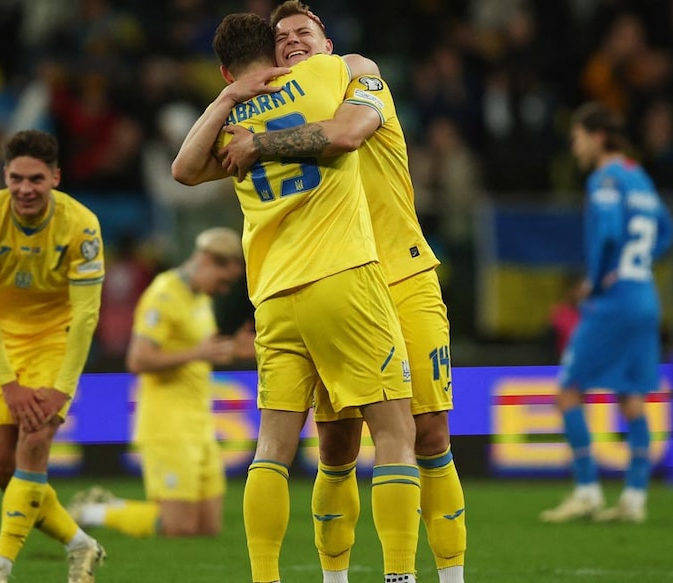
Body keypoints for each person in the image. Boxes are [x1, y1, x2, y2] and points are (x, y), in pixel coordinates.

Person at [215, 3, 466, 582]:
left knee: (428, 433)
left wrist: (257, 143)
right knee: (335, 448)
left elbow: (351, 131)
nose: (293, 42)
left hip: (401, 276)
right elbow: (198, 165)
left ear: (328, 42)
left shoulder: (357, 73)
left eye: (305, 32)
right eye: (280, 39)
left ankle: (450, 575)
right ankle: (336, 578)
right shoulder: (276, 108)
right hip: (340, 280)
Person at [171, 13, 421, 583]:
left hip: (273, 296)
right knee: (393, 433)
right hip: (342, 277)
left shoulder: (232, 121)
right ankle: (401, 577)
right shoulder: (329, 73)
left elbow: (183, 170)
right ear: (278, 53)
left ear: (224, 69)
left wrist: (229, 97)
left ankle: (265, 578)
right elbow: (351, 122)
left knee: (272, 448)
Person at [0, 129, 106, 583]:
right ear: (4, 175)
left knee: (36, 444)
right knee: (3, 467)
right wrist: (8, 382)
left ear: (55, 178)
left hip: (53, 342)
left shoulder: (82, 226)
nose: (25, 188)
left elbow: (85, 316)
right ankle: (81, 544)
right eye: (16, 178)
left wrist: (61, 390)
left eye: (36, 179)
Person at [534, 103, 673, 525]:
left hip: (613, 303)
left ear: (597, 136)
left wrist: (596, 280)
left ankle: (587, 491)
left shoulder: (605, 179)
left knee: (567, 392)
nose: (575, 149)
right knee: (632, 399)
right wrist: (639, 263)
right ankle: (633, 499)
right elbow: (668, 230)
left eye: (577, 139)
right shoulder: (639, 177)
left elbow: (610, 231)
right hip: (645, 297)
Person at [68, 227, 253, 538]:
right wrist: (199, 352)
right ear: (207, 260)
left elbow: (197, 351)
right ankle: (95, 510)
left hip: (199, 420)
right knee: (178, 527)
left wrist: (234, 348)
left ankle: (105, 509)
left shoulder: (200, 299)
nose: (223, 290)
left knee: (208, 528)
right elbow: (137, 360)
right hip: (166, 423)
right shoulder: (163, 294)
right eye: (223, 281)